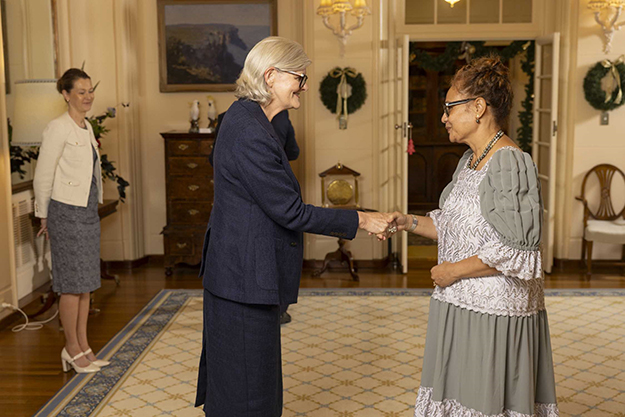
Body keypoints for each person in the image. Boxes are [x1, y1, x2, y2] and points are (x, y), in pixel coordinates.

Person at [195, 36, 393, 416]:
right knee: (249, 397)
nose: (303, 86)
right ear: (271, 76)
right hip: (242, 280)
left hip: (239, 274)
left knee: (246, 386)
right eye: (299, 77)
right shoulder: (251, 131)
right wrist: (363, 218)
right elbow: (292, 212)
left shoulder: (247, 118)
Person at [389, 56, 558, 416]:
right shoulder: (469, 162)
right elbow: (453, 230)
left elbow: (518, 252)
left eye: (450, 107)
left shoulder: (510, 162)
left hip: (494, 315)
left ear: (478, 108)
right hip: (460, 305)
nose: (443, 116)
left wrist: (452, 272)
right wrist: (406, 222)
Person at [33, 68, 111, 374]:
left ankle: (84, 346)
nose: (88, 96)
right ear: (66, 95)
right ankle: (71, 349)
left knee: (86, 283)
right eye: (81, 91)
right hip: (65, 213)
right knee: (70, 285)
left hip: (87, 211)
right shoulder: (57, 128)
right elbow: (44, 174)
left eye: (90, 90)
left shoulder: (86, 127)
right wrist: (43, 215)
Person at [210, 109, 299, 325]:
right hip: (272, 201)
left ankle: (272, 308)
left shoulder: (229, 117)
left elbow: (214, 158)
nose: (303, 87)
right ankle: (278, 309)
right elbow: (294, 152)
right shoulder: (275, 121)